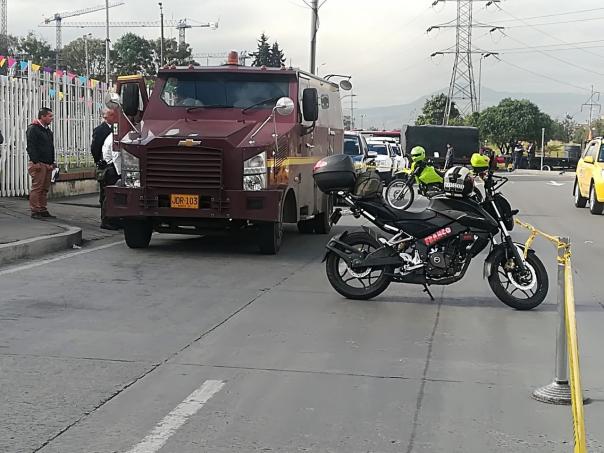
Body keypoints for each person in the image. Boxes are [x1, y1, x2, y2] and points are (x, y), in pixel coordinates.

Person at [91, 108, 121, 230]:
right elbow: (96, 148)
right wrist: (99, 162)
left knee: (108, 195)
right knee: (107, 196)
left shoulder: (112, 132)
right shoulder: (104, 132)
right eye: (112, 115)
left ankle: (112, 219)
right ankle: (107, 220)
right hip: (109, 167)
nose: (115, 117)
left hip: (110, 166)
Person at [26, 107, 56, 219]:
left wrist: (52, 162)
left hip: (47, 163)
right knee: (37, 187)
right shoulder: (34, 129)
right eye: (50, 116)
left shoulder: (48, 130)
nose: (52, 118)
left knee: (44, 188)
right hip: (39, 163)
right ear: (42, 116)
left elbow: (50, 147)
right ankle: (35, 210)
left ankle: (43, 208)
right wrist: (35, 161)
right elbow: (31, 146)